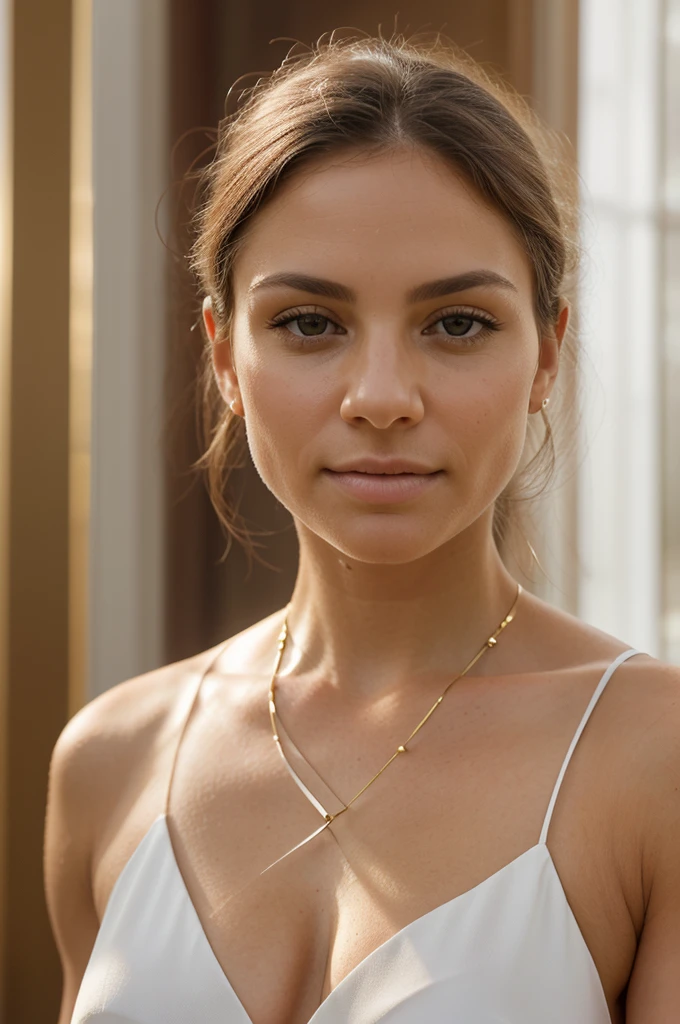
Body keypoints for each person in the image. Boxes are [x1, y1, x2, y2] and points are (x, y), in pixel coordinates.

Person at [45, 32, 680, 1024]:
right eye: (308, 322)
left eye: (456, 323)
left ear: (546, 355)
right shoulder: (109, 760)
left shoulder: (653, 757)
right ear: (223, 357)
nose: (380, 398)